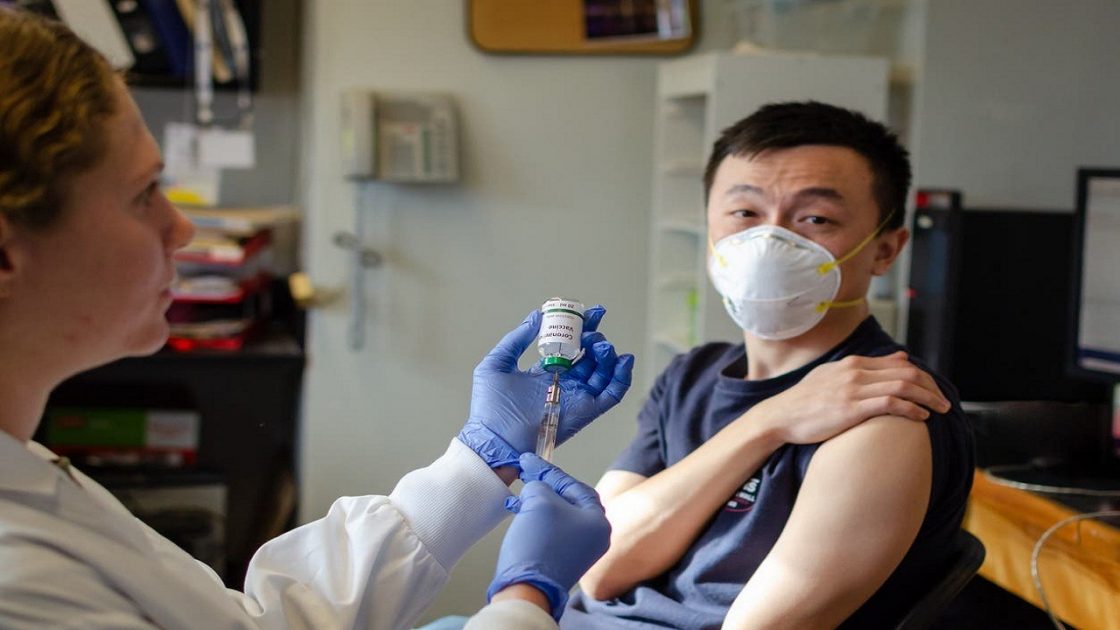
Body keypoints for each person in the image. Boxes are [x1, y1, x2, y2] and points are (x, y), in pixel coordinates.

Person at [0, 8, 632, 629]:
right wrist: (526, 598)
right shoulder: (19, 578)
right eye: (143, 194)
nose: (182, 227)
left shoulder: (27, 481)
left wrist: (482, 458)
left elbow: (263, 624)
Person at [563, 102, 975, 628]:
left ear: (885, 250)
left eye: (816, 219)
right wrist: (769, 421)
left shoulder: (887, 402)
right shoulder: (691, 376)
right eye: (744, 213)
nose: (770, 242)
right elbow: (595, 567)